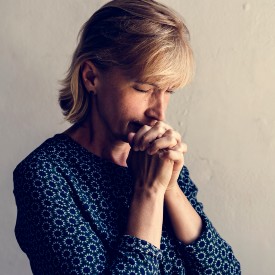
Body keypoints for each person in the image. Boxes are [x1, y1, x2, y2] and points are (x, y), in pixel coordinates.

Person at [13, 0, 241, 274]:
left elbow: (227, 271)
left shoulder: (155, 159)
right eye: (144, 88)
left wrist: (170, 188)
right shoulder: (44, 175)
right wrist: (149, 192)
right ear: (91, 77)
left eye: (169, 91)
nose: (159, 112)